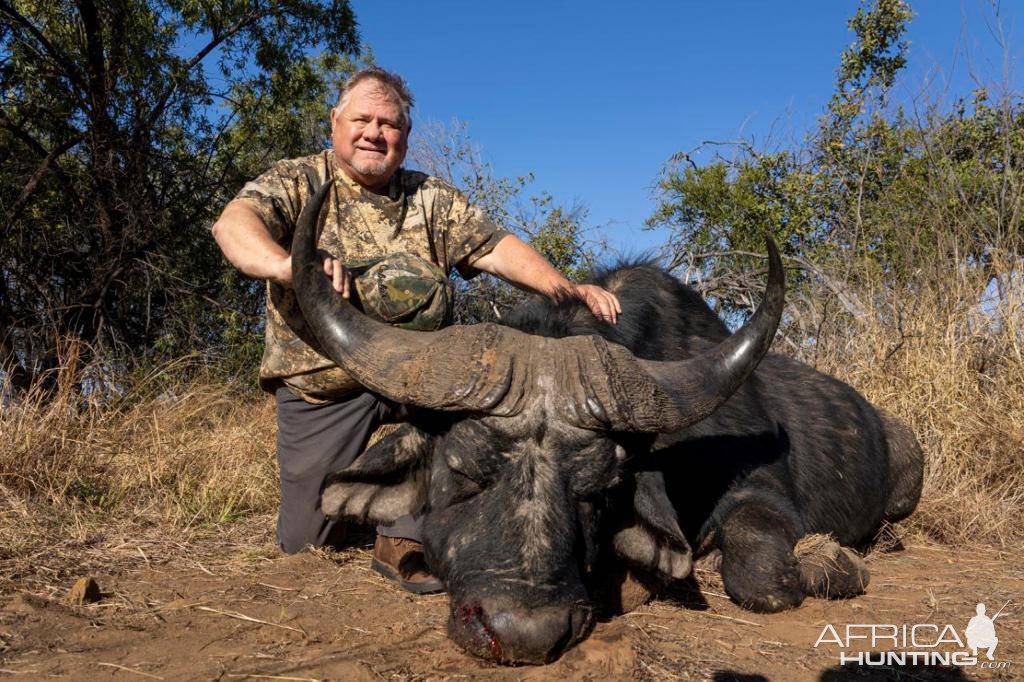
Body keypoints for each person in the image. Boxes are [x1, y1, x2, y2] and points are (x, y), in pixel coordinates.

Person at [211, 66, 621, 593]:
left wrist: (565, 288)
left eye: (389, 124)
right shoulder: (297, 179)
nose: (374, 133)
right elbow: (234, 224)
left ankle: (403, 533)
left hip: (424, 381)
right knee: (307, 542)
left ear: (404, 138)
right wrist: (290, 265)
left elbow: (494, 247)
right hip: (323, 387)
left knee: (481, 433)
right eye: (362, 119)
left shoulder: (429, 197)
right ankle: (369, 501)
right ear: (335, 122)